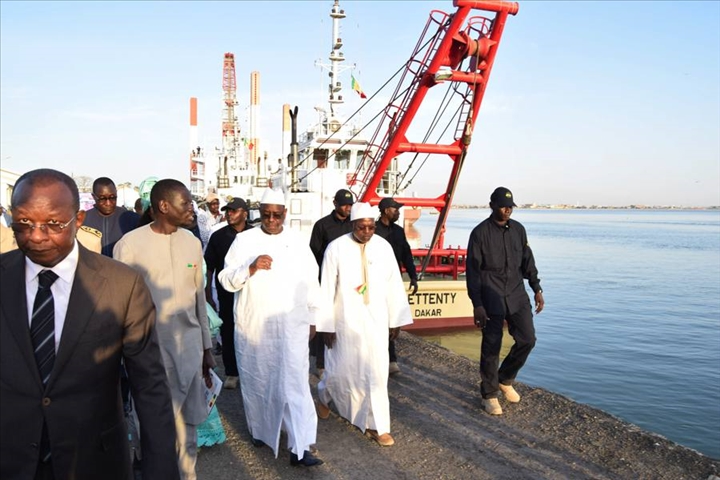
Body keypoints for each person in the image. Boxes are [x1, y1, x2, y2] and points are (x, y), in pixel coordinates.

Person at [0, 168, 179, 480]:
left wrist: (161, 469)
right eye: (24, 223)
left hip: (95, 461)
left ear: (78, 220)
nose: (37, 235)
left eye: (53, 224)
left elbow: (149, 386)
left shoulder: (122, 284)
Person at [114, 179, 215, 480]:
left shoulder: (193, 243)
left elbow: (199, 300)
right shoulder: (130, 246)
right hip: (149, 352)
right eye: (185, 203)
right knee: (153, 429)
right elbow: (120, 306)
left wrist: (207, 349)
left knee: (188, 428)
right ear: (163, 206)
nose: (191, 209)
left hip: (190, 350)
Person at [218, 188, 324, 467]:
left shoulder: (298, 242)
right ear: (260, 213)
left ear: (285, 214)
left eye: (277, 214)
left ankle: (300, 446)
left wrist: (313, 317)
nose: (272, 219)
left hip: (292, 327)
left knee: (295, 384)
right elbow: (225, 279)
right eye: (266, 214)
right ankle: (260, 431)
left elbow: (312, 282)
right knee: (259, 380)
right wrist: (249, 268)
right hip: (255, 326)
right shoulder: (244, 240)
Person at [316, 202, 413, 447]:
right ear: (352, 225)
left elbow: (393, 284)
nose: (368, 232)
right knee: (339, 370)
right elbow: (326, 287)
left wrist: (396, 319)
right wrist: (326, 324)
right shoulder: (335, 248)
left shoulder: (383, 247)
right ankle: (324, 397)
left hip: (376, 320)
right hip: (344, 320)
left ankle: (376, 425)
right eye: (362, 227)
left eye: (371, 227)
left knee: (376, 374)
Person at [466, 187, 545, 416]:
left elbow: (528, 261)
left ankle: (505, 378)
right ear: (492, 205)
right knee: (492, 346)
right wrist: (477, 304)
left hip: (517, 294)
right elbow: (472, 272)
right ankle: (489, 395)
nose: (507, 209)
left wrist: (536, 288)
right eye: (503, 205)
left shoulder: (519, 230)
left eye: (510, 206)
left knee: (528, 339)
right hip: (491, 295)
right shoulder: (480, 233)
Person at [204, 197, 253, 390]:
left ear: (245, 213)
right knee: (228, 330)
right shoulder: (218, 236)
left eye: (234, 210)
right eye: (228, 211)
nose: (229, 214)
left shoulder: (255, 234)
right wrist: (208, 294)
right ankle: (232, 372)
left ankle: (249, 370)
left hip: (250, 293)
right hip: (226, 293)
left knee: (251, 331)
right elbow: (209, 267)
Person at [308, 188, 355, 377]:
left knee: (346, 318)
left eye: (350, 204)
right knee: (324, 320)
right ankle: (320, 363)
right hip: (326, 280)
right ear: (335, 203)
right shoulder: (322, 225)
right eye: (344, 204)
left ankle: (346, 359)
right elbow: (314, 254)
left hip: (349, 281)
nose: (348, 208)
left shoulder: (354, 225)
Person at [375, 197, 419, 375]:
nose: (398, 212)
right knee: (378, 319)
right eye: (395, 209)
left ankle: (391, 359)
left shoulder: (399, 232)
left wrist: (414, 277)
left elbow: (407, 255)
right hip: (375, 281)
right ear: (386, 210)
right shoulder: (373, 230)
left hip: (393, 281)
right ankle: (382, 359)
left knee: (392, 318)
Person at [83, 177, 140, 257]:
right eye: (102, 199)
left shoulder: (132, 219)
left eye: (112, 197)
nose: (108, 203)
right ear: (93, 197)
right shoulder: (83, 220)